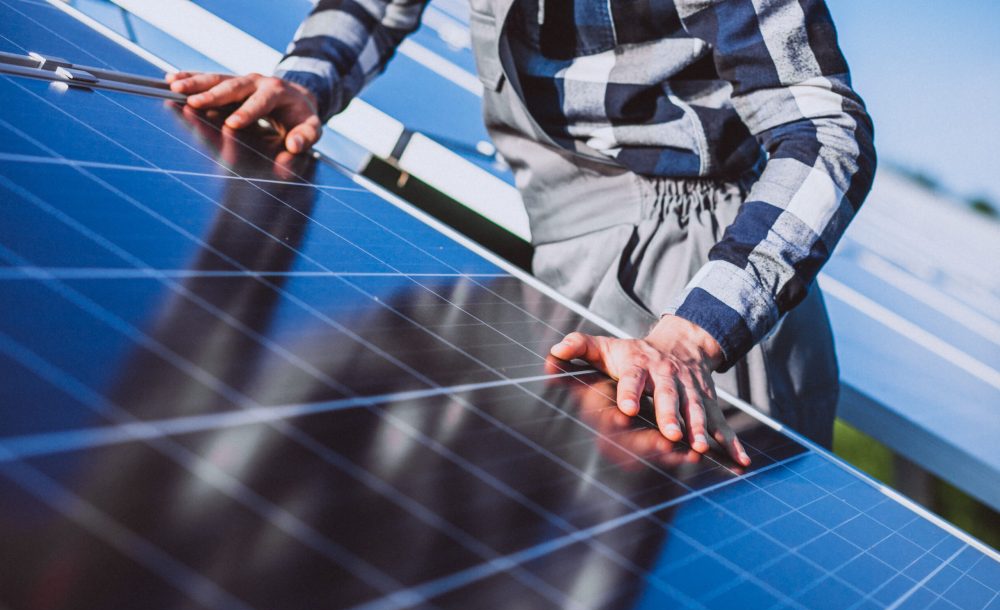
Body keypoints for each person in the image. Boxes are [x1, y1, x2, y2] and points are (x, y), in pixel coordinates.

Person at [167, 0, 876, 464]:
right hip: (568, 259)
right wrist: (308, 80)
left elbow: (825, 132)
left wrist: (695, 332)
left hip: (700, 287)